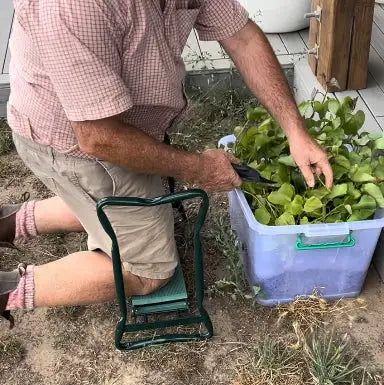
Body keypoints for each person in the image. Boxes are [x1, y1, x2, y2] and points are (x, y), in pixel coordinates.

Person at [0, 0, 333, 327]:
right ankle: (6, 291)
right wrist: (200, 169)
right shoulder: (73, 7)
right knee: (150, 271)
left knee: (114, 203)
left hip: (116, 129)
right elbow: (97, 137)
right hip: (76, 145)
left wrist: (296, 131)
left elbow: (242, 36)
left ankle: (7, 222)